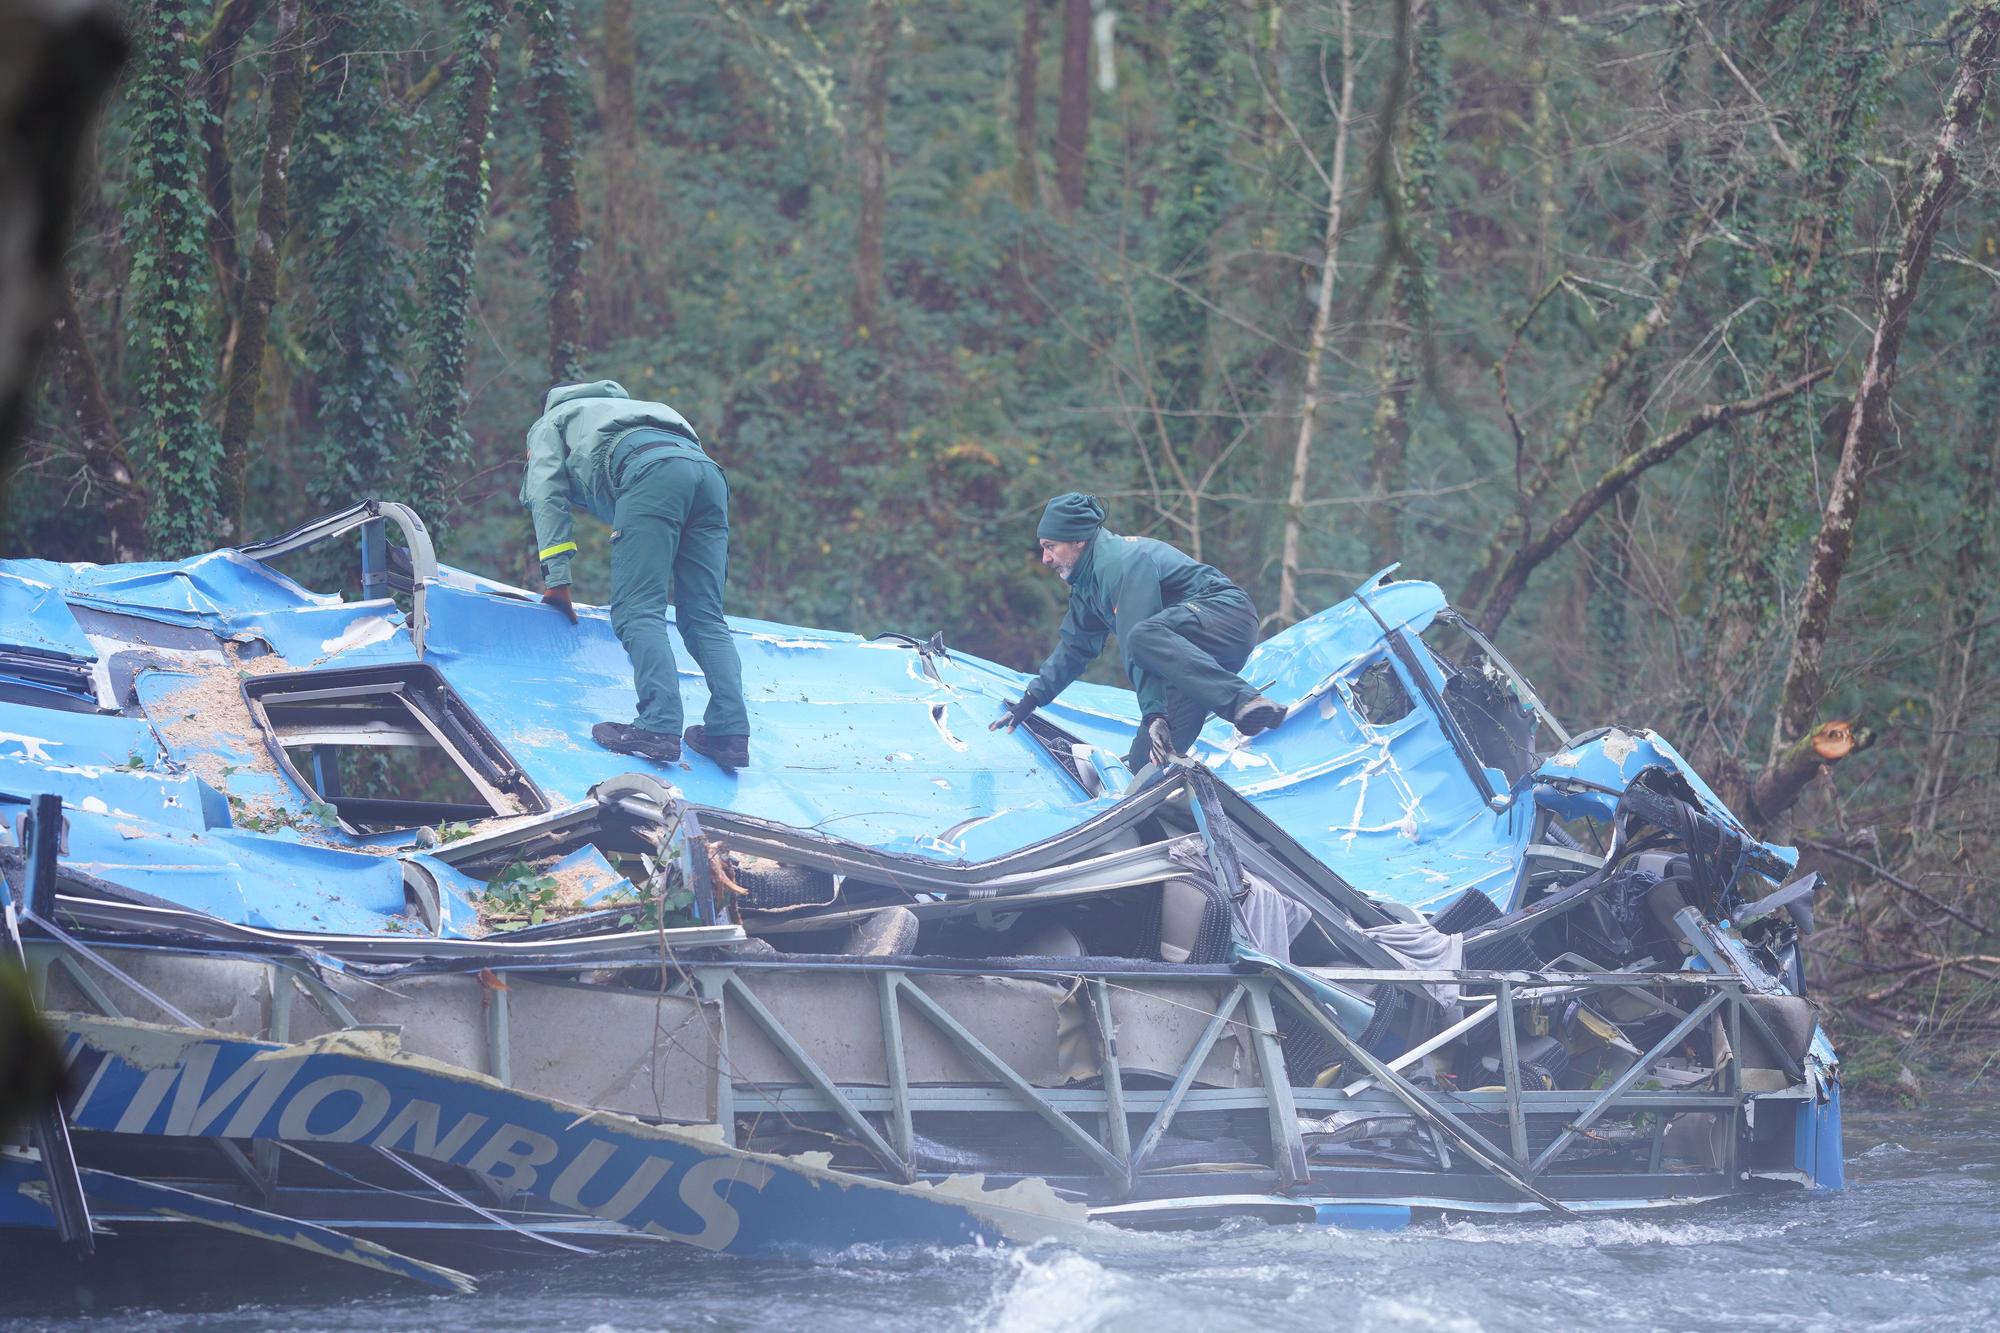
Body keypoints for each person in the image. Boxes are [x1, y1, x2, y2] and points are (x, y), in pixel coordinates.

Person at [520, 379, 750, 769]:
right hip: (710, 478)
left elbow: (545, 494)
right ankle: (729, 732)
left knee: (638, 609)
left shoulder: (553, 420)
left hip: (650, 476)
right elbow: (684, 462)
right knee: (704, 616)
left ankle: (658, 725)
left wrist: (556, 579)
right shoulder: (645, 409)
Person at [990, 492, 1285, 770]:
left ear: (1078, 540)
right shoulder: (1086, 586)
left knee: (1142, 637)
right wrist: (1030, 702)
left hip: (1225, 616)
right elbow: (1074, 649)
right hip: (1190, 658)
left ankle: (1246, 703)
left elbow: (1138, 638)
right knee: (1145, 763)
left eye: (1050, 546)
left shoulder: (1119, 561)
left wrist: (1154, 713)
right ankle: (1173, 815)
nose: (1045, 558)